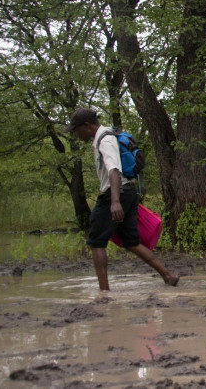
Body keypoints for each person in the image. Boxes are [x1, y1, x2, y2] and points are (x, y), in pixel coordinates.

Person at [64, 108, 179, 290]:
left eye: (76, 129)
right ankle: (168, 276)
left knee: (96, 242)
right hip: (128, 193)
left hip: (116, 194)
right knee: (131, 242)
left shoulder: (105, 140)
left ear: (86, 126)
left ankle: (104, 292)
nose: (76, 134)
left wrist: (115, 202)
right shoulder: (108, 135)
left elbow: (114, 170)